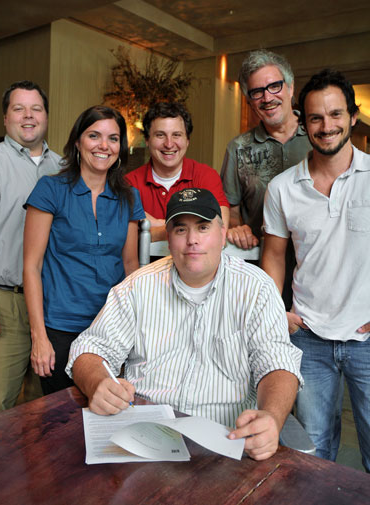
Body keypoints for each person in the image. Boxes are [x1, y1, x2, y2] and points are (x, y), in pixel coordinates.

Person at [66, 188, 303, 461]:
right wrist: (97, 383)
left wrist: (271, 417)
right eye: (181, 230)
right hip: (146, 438)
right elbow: (90, 348)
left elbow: (277, 363)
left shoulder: (256, 288)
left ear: (223, 234)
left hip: (224, 441)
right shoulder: (138, 286)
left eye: (203, 227)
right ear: (168, 238)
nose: (192, 240)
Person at [261, 69, 370, 472]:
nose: (327, 126)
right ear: (304, 124)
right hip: (307, 337)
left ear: (352, 117)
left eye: (335, 114)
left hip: (366, 337)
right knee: (314, 452)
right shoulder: (283, 187)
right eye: (316, 118)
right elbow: (273, 255)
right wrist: (278, 313)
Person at [23, 105, 145, 396]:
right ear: (77, 142)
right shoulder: (50, 189)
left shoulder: (129, 196)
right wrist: (39, 336)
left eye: (113, 138)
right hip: (60, 328)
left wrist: (140, 329)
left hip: (110, 328)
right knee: (60, 421)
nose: (104, 146)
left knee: (106, 413)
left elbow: (130, 265)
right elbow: (31, 266)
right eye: (94, 136)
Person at [0, 80, 61, 421]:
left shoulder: (65, 168)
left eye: (36, 108)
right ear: (6, 118)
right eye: (19, 109)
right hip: (1, 303)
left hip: (50, 306)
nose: (28, 116)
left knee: (44, 414)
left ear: (46, 116)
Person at [221, 49, 310, 251]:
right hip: (260, 260)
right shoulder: (238, 148)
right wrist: (237, 228)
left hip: (316, 260)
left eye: (274, 86)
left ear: (290, 87)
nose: (267, 98)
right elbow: (230, 210)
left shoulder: (318, 134)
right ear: (250, 102)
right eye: (257, 92)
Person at [126, 102, 229, 241]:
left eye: (176, 135)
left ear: (187, 140)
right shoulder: (129, 183)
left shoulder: (206, 176)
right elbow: (128, 238)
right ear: (147, 140)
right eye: (160, 135)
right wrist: (192, 225)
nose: (169, 144)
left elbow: (219, 229)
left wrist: (155, 227)